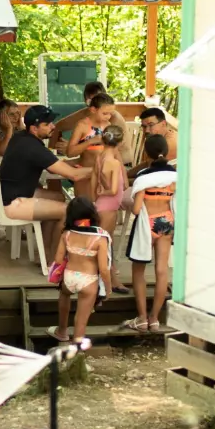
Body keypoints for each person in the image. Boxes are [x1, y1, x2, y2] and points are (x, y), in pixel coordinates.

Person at [0, 105, 92, 260]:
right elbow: (74, 176)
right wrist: (100, 167)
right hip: (10, 204)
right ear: (34, 129)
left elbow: (53, 168)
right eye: (47, 124)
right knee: (69, 211)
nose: (53, 126)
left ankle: (44, 252)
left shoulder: (21, 137)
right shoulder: (34, 148)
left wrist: (78, 163)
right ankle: (54, 259)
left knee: (58, 198)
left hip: (5, 195)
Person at [122, 134, 177, 333]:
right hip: (166, 222)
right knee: (162, 271)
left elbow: (137, 209)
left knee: (139, 271)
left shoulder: (143, 177)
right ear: (167, 152)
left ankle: (142, 318)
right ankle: (155, 319)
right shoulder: (175, 176)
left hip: (148, 223)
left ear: (147, 154)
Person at [47, 197, 112, 344]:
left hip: (69, 277)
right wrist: (108, 288)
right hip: (88, 281)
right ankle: (76, 349)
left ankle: (61, 331)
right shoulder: (100, 238)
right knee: (80, 320)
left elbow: (58, 260)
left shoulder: (67, 234)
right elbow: (103, 269)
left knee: (64, 294)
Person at [49, 81, 135, 165]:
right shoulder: (88, 112)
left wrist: (75, 147)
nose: (96, 103)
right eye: (92, 101)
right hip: (94, 160)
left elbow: (108, 148)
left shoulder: (110, 117)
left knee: (62, 166)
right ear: (87, 102)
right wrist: (51, 150)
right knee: (56, 165)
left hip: (118, 161)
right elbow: (58, 126)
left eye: (100, 99)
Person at [92, 125, 130, 293]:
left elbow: (93, 181)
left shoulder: (99, 158)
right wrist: (103, 192)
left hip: (102, 204)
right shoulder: (114, 163)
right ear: (120, 143)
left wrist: (96, 197)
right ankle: (111, 281)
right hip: (109, 205)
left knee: (104, 242)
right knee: (106, 244)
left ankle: (107, 279)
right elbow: (114, 190)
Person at [64, 92, 115, 200]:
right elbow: (70, 152)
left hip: (104, 173)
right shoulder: (82, 125)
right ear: (93, 110)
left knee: (102, 206)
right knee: (85, 205)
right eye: (105, 113)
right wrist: (90, 141)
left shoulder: (108, 125)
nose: (108, 117)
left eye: (110, 114)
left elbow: (114, 151)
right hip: (85, 173)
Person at [126, 107, 178, 181]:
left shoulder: (167, 144)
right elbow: (147, 163)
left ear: (163, 124)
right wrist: (126, 175)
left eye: (151, 125)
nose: (146, 130)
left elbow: (149, 176)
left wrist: (124, 180)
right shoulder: (159, 140)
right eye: (144, 127)